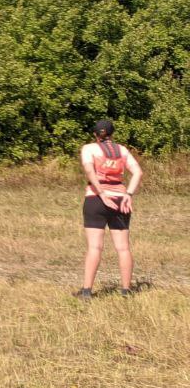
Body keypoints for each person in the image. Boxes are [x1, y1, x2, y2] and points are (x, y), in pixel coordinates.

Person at [76, 119, 144, 300]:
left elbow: (90, 172)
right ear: (112, 134)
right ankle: (126, 291)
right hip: (121, 200)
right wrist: (129, 194)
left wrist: (102, 194)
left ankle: (86, 292)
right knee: (123, 248)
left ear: (95, 135)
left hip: (96, 199)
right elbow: (138, 172)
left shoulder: (89, 149)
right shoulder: (122, 150)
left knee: (94, 247)